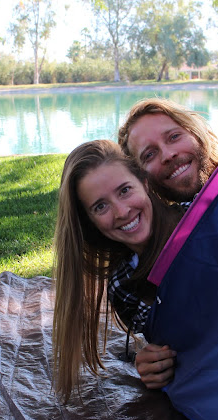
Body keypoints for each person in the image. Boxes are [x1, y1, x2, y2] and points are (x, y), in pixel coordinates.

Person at [52, 139, 187, 400]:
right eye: (100, 206)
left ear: (145, 183)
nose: (122, 211)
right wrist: (152, 362)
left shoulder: (199, 221)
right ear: (90, 222)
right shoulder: (123, 286)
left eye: (125, 190)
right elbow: (169, 348)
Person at [118, 98, 218, 389]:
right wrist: (151, 357)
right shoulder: (165, 246)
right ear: (142, 179)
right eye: (150, 154)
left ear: (195, 132)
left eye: (174, 137)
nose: (168, 155)